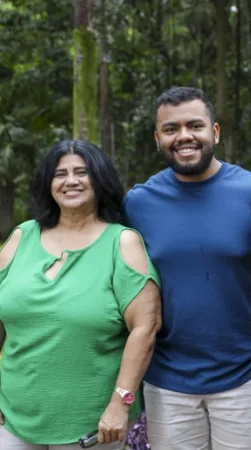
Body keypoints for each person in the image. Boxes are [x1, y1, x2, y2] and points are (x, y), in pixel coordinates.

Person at [123, 86, 251, 449]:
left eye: (195, 126)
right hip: (167, 379)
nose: (184, 136)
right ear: (158, 139)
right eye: (171, 129)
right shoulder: (138, 203)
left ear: (214, 132)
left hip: (246, 374)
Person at [0, 140, 161, 449]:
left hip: (92, 423)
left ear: (100, 180)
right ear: (48, 184)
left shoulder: (122, 243)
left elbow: (145, 328)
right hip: (14, 416)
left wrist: (120, 403)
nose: (70, 181)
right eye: (60, 174)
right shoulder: (22, 236)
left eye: (82, 172)